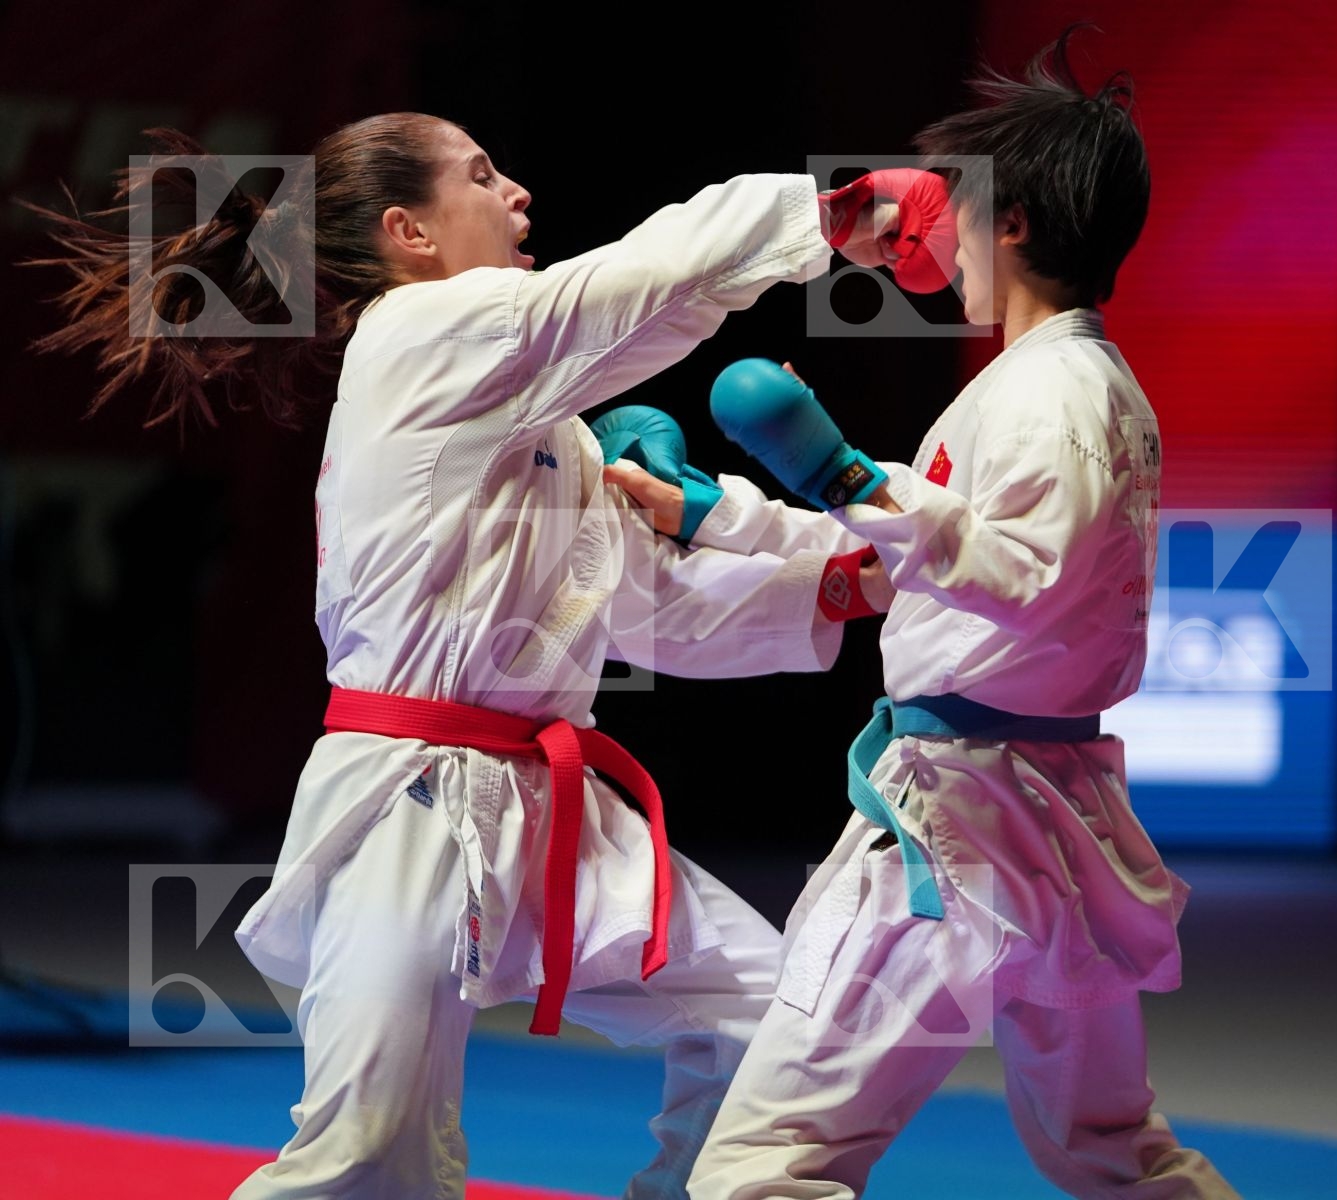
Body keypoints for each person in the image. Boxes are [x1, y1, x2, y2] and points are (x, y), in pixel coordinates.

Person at [22, 112, 942, 1198]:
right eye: (483, 175)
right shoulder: (423, 336)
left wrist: (830, 583)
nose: (520, 194)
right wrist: (829, 215)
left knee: (773, 1032)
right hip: (407, 804)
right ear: (410, 231)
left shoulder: (541, 418)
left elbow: (633, 606)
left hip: (551, 809)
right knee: (366, 1161)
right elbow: (646, 282)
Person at [609, 27, 1242, 1199]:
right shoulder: (1059, 382)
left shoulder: (1055, 391)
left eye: (963, 204)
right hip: (1050, 816)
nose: (935, 233)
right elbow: (918, 557)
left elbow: (1019, 572)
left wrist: (848, 475)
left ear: (1012, 222)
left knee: (765, 1164)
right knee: (1113, 1149)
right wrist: (714, 512)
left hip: (964, 814)